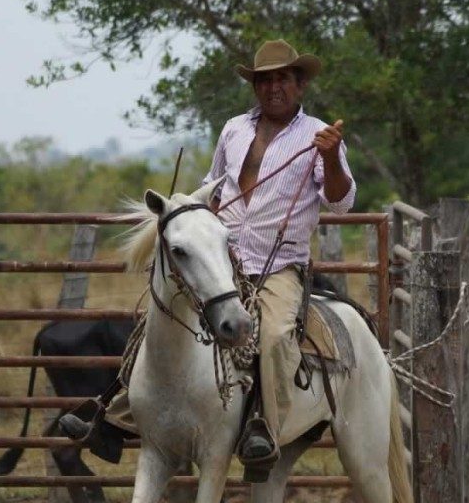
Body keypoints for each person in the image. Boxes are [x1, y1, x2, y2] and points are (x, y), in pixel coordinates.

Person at [59, 39, 356, 478]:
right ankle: (114, 416)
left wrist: (331, 157)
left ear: (300, 84)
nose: (273, 87)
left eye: (282, 79)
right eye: (264, 80)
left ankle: (264, 431)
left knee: (272, 335)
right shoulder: (234, 129)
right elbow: (212, 187)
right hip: (225, 258)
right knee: (160, 314)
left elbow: (341, 202)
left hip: (279, 266)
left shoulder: (318, 137)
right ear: (255, 86)